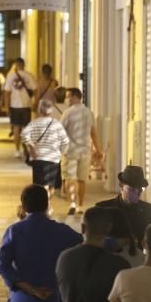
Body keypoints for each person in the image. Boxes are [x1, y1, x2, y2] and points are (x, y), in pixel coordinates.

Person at [96, 166, 151, 268]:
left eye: (140, 190)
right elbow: (96, 239)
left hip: (136, 261)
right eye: (132, 189)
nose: (136, 193)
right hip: (110, 261)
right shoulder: (103, 208)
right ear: (121, 186)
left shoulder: (148, 210)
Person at [61, 88, 102, 216]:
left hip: (70, 151)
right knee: (82, 179)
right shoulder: (88, 112)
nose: (67, 99)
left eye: (68, 97)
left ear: (75, 97)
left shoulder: (67, 113)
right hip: (85, 151)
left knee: (70, 178)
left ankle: (72, 203)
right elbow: (94, 133)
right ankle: (80, 205)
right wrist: (98, 150)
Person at [21, 100, 69, 199]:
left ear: (39, 110)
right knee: (51, 185)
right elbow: (65, 141)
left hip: (38, 158)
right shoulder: (57, 124)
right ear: (51, 111)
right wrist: (61, 153)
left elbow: (24, 135)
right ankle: (47, 204)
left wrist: (32, 147)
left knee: (39, 186)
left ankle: (45, 205)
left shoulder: (34, 123)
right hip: (53, 158)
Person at [4, 58, 38, 159]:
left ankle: (17, 150)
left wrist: (6, 107)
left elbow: (7, 93)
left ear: (16, 65)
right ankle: (27, 149)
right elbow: (36, 90)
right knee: (26, 129)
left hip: (14, 106)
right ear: (24, 65)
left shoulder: (10, 76)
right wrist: (35, 103)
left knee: (16, 128)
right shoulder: (29, 75)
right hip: (26, 106)